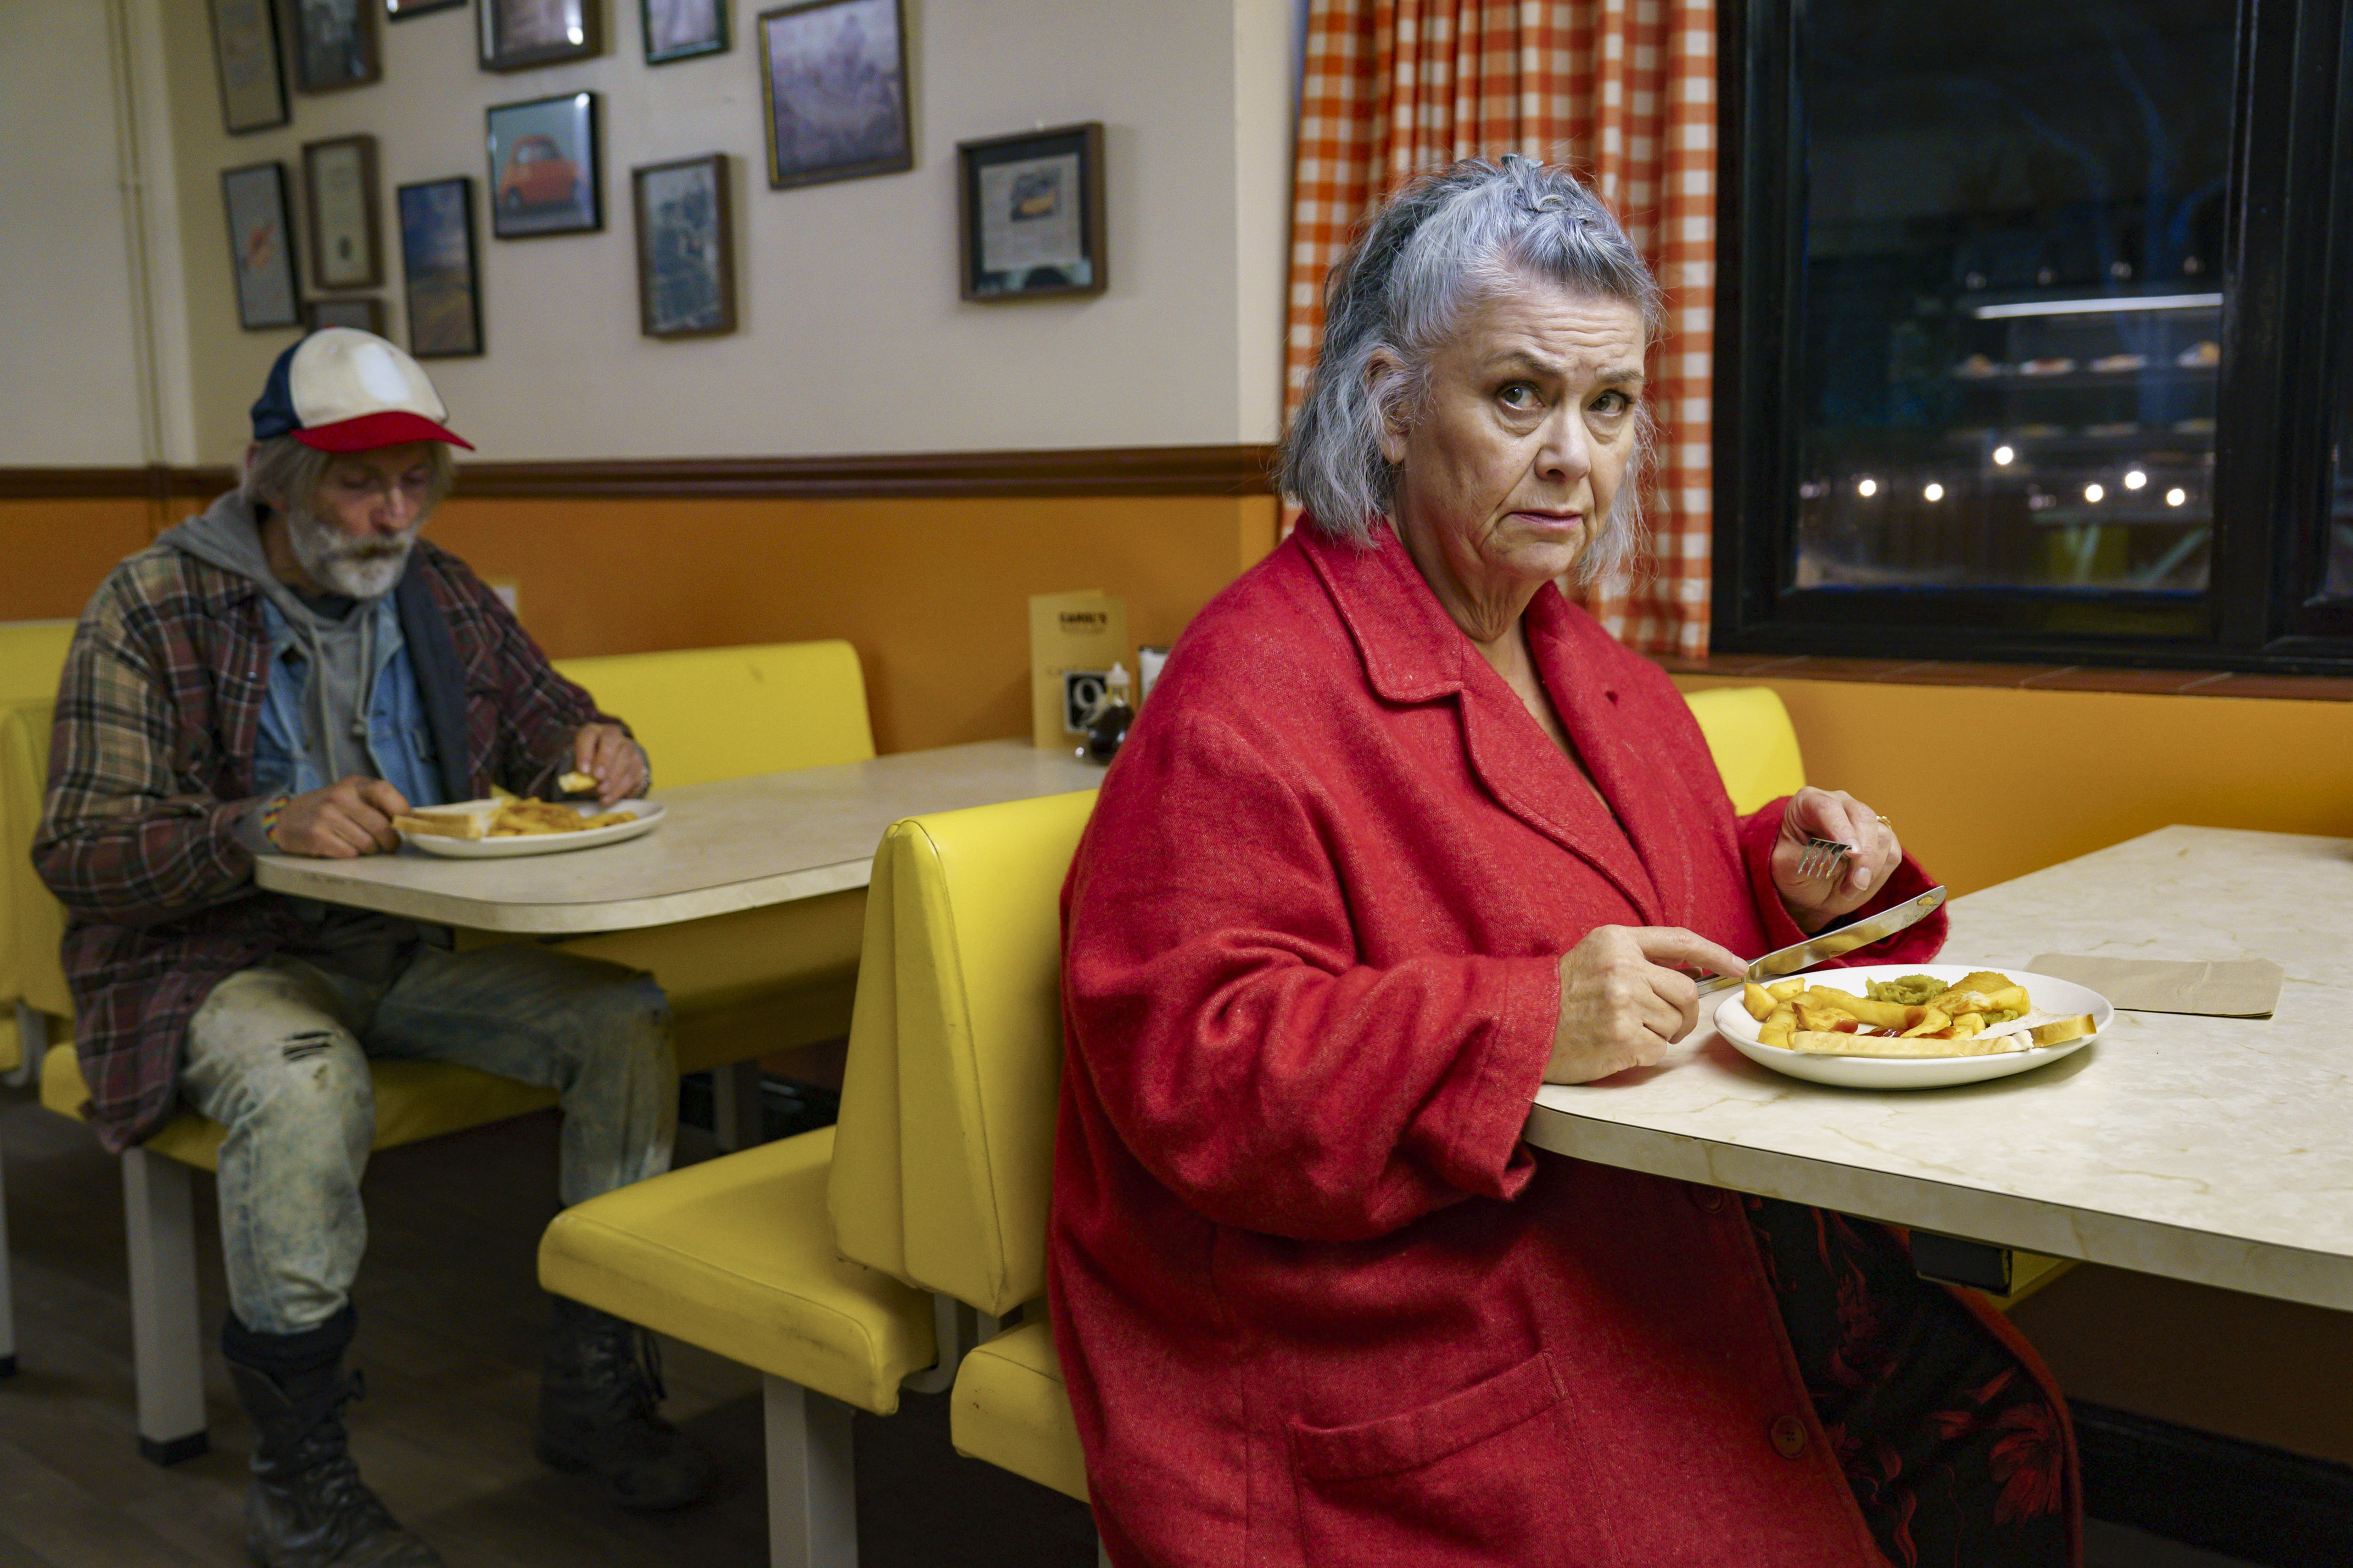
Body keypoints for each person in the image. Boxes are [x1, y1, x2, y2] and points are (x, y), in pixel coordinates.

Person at [1051, 159, 2078, 1567]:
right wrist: (1529, 1023)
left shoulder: (1584, 660)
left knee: (1972, 1408)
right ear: (1389, 404)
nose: (1574, 457)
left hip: (1651, 1239)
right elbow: (1192, 1058)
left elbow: (1608, 893)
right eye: (1518, 396)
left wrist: (1787, 883)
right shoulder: (1245, 690)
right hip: (1408, 1312)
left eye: (1608, 407)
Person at [34, 329, 710, 1568]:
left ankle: (596, 1380)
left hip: (402, 951)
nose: (392, 511)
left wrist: (603, 745)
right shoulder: (153, 603)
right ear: (270, 477)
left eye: (414, 479)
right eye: (359, 481)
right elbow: (79, 850)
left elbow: (550, 727)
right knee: (305, 1085)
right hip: (214, 965)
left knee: (620, 1019)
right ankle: (300, 1488)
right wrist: (258, 825)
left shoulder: (436, 590)